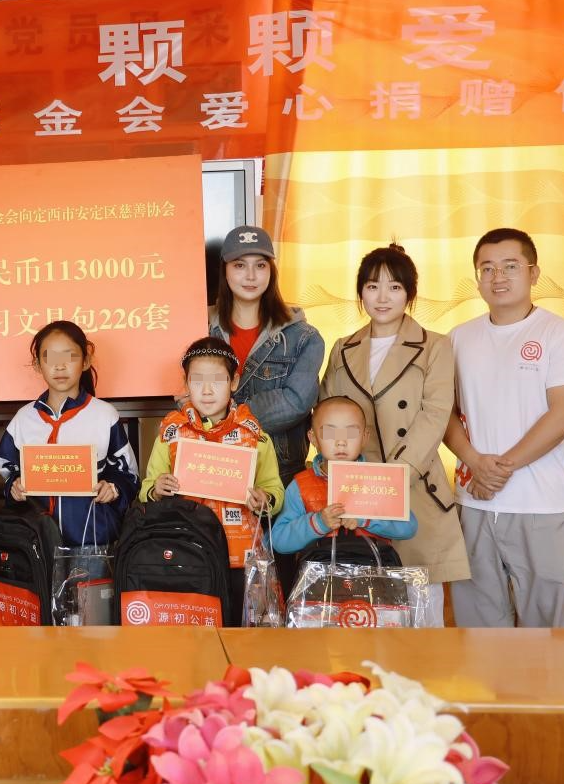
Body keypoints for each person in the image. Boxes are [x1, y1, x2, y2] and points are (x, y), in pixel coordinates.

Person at [445, 228, 564, 627]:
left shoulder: (561, 335)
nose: (498, 277)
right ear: (477, 279)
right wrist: (476, 462)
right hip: (474, 503)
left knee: (550, 628)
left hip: (539, 505)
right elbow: (443, 413)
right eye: (487, 268)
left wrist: (497, 470)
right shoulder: (459, 338)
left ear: (533, 273)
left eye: (510, 266)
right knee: (478, 627)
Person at [319, 244, 468, 626]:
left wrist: (394, 478)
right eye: (372, 286)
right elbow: (327, 412)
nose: (382, 297)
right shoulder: (343, 349)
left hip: (415, 486)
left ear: (410, 293)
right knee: (363, 609)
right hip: (355, 494)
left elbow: (436, 414)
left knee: (423, 610)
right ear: (360, 292)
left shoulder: (436, 346)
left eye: (394, 287)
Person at [140, 336, 285, 626]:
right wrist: (157, 489)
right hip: (187, 554)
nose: (207, 390)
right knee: (195, 634)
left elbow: (274, 489)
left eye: (217, 380)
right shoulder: (170, 433)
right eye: (197, 381)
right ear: (186, 383)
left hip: (241, 559)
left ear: (234, 381)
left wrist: (265, 500)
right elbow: (146, 488)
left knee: (242, 634)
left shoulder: (254, 436)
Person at [0, 321, 139, 549]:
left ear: (85, 361)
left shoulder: (104, 415)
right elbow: (7, 467)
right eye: (50, 358)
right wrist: (15, 485)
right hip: (36, 544)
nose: (60, 366)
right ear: (37, 365)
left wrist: (112, 488)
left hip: (91, 541)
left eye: (70, 356)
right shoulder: (24, 418)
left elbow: (128, 475)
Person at [208, 226, 324, 484]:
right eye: (240, 265)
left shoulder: (304, 338)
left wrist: (225, 416)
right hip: (213, 469)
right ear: (225, 270)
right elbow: (186, 397)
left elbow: (296, 402)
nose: (251, 276)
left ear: (271, 271)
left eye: (260, 265)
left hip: (280, 476)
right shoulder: (200, 329)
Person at [270, 396, 418, 559]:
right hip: (321, 571)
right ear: (313, 438)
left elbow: (408, 527)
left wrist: (365, 519)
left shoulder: (379, 479)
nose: (341, 442)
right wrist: (319, 522)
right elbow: (279, 541)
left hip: (373, 568)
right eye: (329, 432)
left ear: (365, 437)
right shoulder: (301, 485)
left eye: (351, 433)